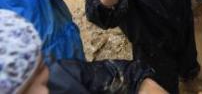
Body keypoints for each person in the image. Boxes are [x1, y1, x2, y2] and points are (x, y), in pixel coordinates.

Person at [0, 9, 167, 94]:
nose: (45, 92)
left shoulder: (61, 73)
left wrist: (143, 85)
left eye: (40, 71)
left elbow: (126, 76)